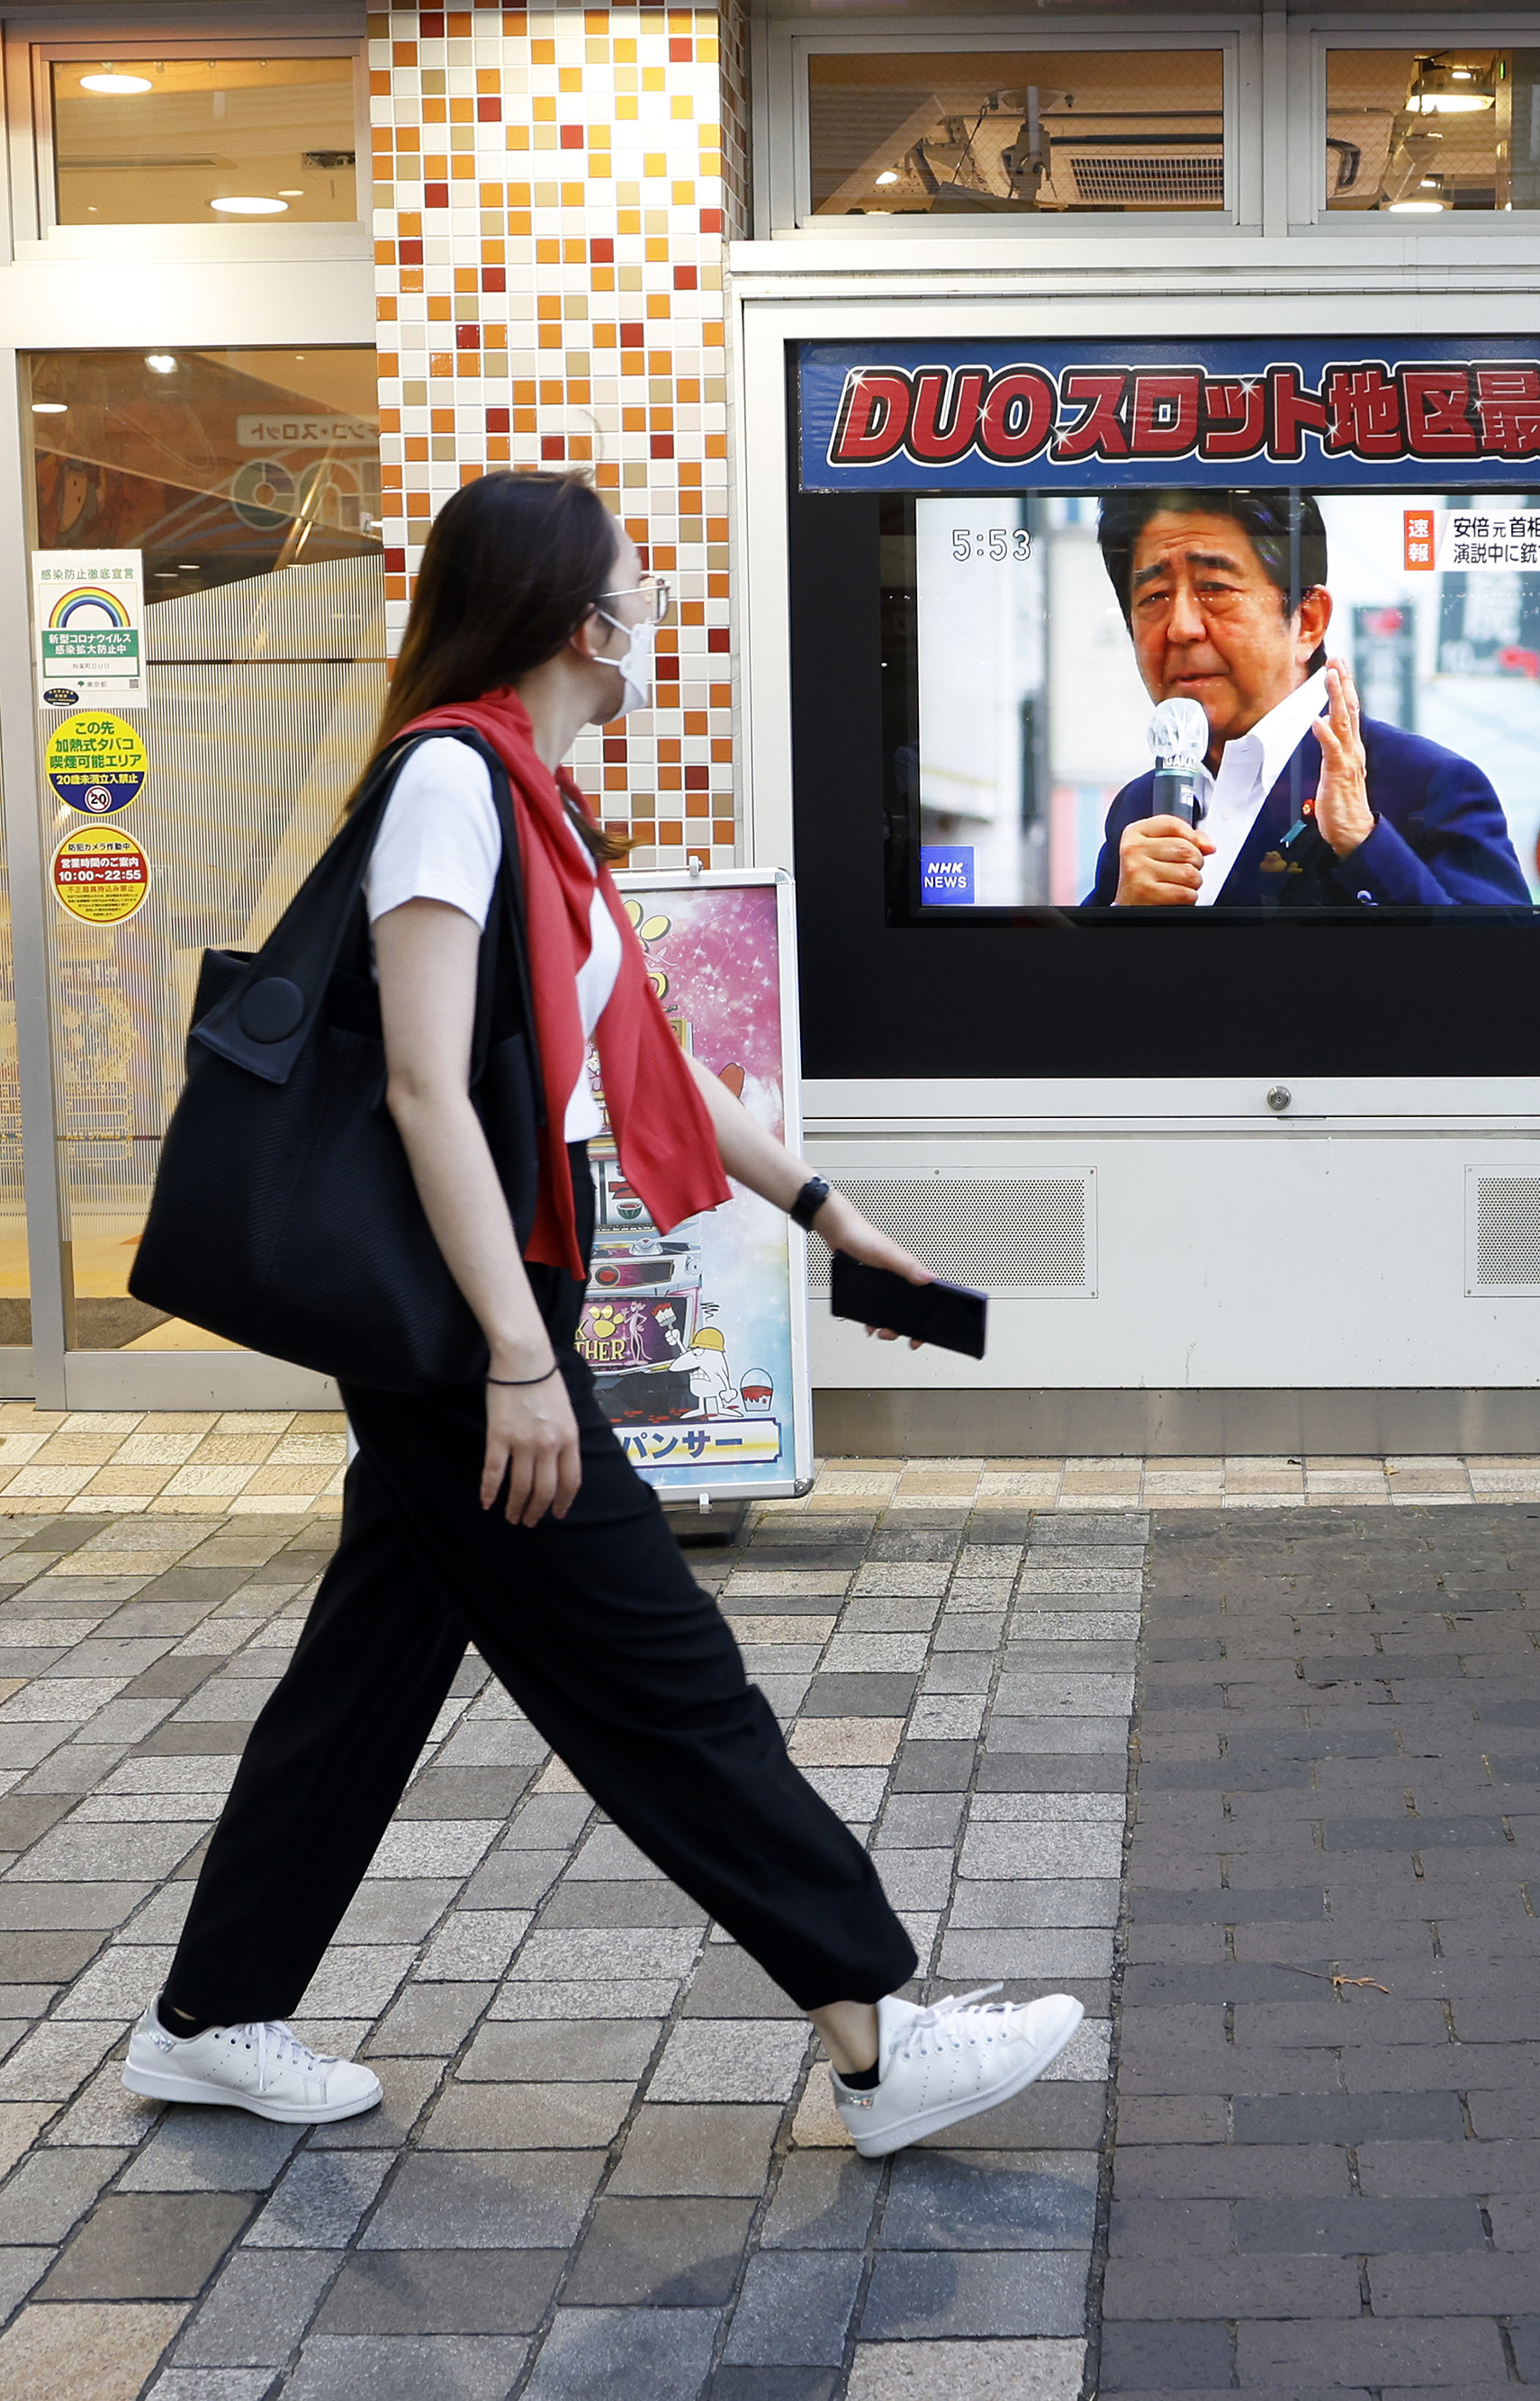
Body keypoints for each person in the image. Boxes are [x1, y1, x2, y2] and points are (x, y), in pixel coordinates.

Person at [126, 469, 1083, 2158]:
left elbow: (646, 1051)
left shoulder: (535, 803)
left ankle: (209, 2017)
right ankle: (874, 2039)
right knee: (660, 1670)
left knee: (365, 1673)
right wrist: (517, 1360)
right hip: (456, 1319)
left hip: (480, 1302)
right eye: (629, 587)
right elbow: (427, 1089)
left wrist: (832, 1218)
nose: (642, 614)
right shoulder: (451, 780)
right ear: (581, 617)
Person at [1081, 487, 1526, 909]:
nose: (1181, 628)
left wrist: (1364, 842)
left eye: (1214, 588)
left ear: (1308, 620)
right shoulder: (1138, 810)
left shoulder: (1427, 784)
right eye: (1154, 596)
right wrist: (1123, 917)